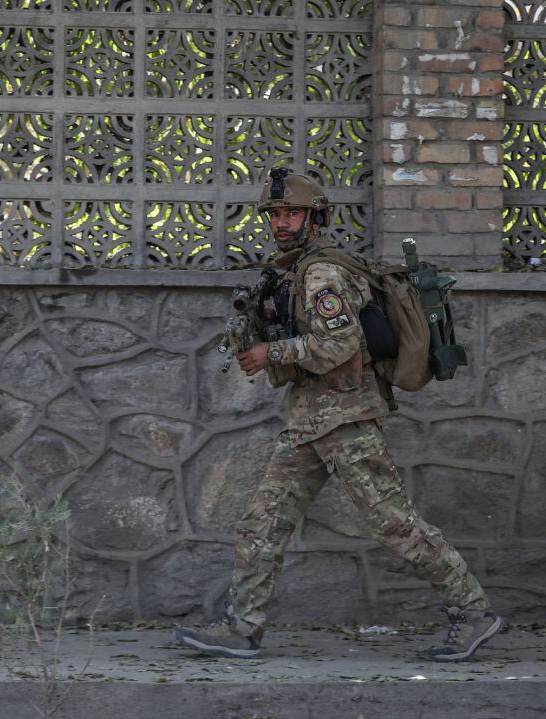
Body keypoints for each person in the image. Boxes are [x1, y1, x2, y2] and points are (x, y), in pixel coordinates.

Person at [174, 169, 502, 663]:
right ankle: (242, 627)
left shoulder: (323, 274)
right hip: (310, 419)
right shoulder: (297, 269)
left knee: (393, 523)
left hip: (346, 417)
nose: (281, 223)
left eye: (292, 214)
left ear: (315, 218)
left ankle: (472, 612)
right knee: (261, 524)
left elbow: (340, 343)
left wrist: (272, 352)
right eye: (275, 215)